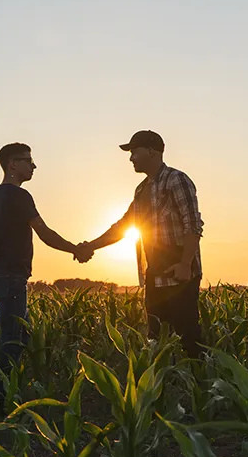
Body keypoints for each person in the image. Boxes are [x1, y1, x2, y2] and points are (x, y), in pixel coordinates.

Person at [0, 143, 92, 413]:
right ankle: (1, 403)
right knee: (12, 339)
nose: (34, 166)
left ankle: (13, 390)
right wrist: (75, 249)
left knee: (22, 334)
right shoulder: (20, 196)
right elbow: (44, 233)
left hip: (1, 276)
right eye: (28, 160)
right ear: (12, 165)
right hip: (13, 276)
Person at [80, 130, 205, 358]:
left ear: (151, 151)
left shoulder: (177, 180)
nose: (131, 158)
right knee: (156, 341)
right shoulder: (141, 190)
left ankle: (199, 387)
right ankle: (165, 388)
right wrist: (90, 246)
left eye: (134, 151)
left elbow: (193, 224)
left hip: (179, 275)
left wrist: (186, 264)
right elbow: (124, 226)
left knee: (188, 338)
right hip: (154, 275)